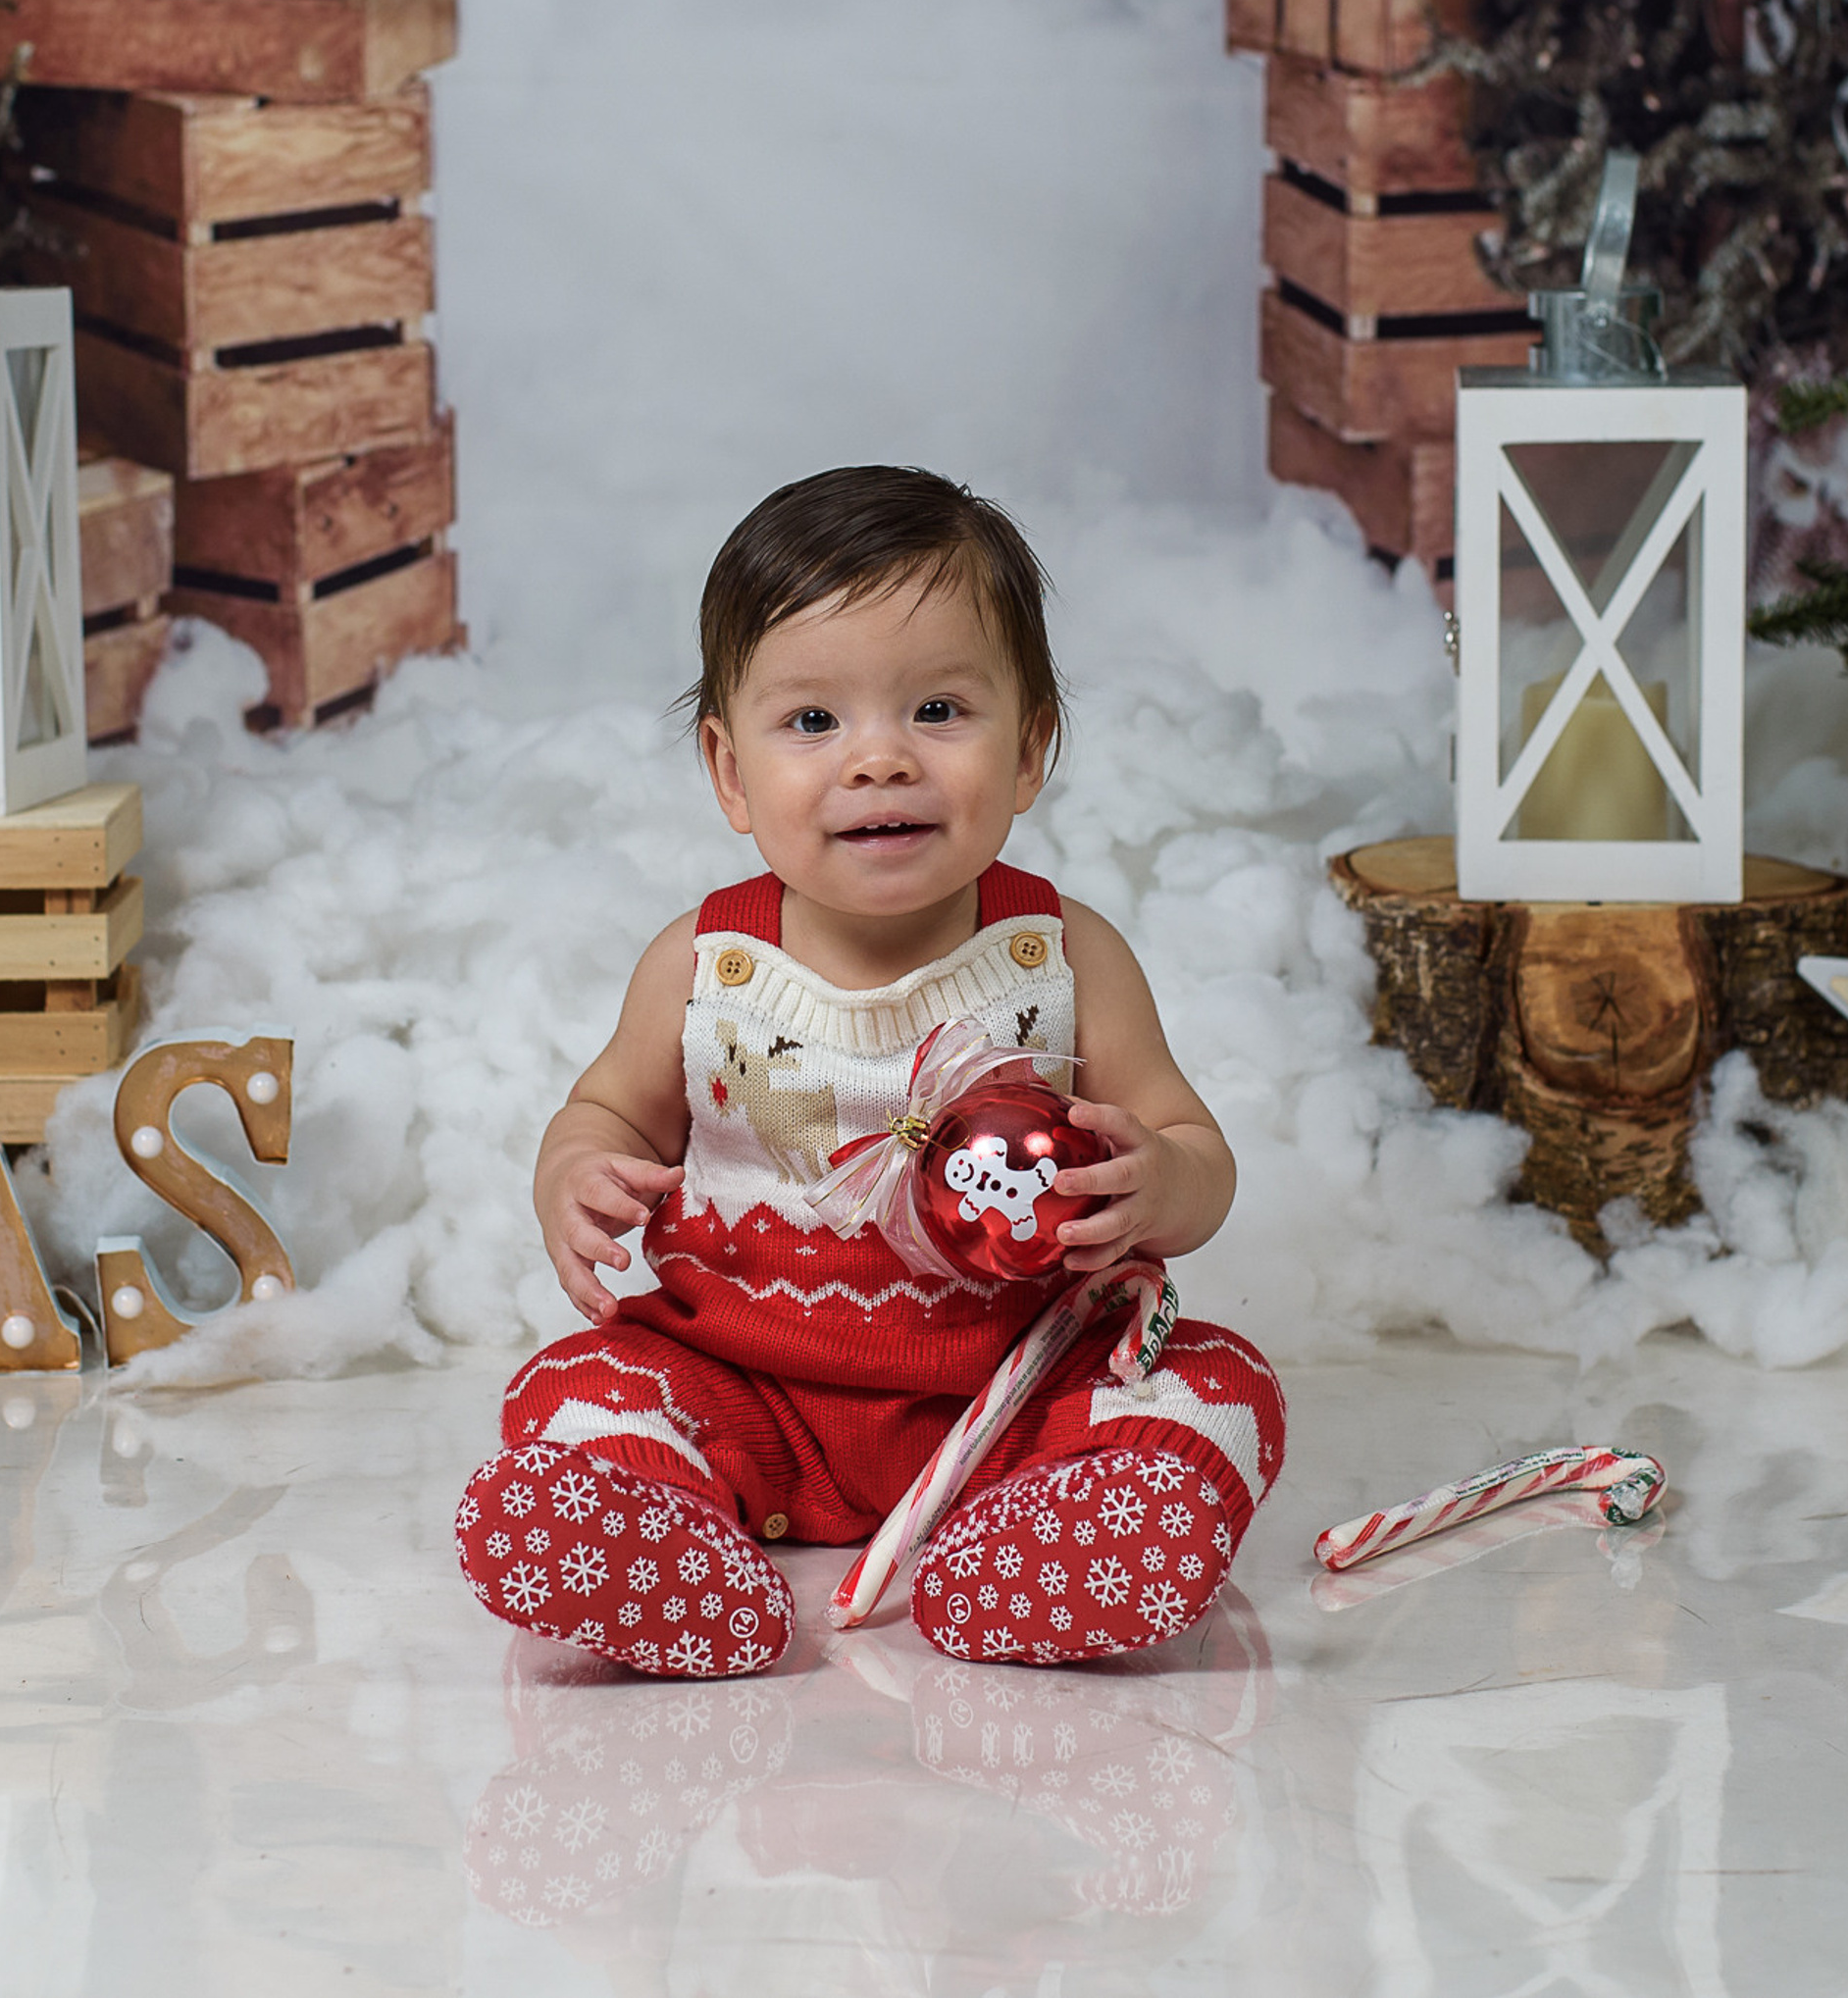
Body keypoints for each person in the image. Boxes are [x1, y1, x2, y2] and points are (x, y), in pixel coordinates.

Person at [456, 466, 1284, 1674]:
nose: (881, 759)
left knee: (1219, 1380)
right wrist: (576, 1170)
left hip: (1007, 1396)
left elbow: (1197, 1152)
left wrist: (1159, 1182)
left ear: (1031, 747)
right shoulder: (705, 967)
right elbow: (604, 1110)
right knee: (578, 1383)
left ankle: (1051, 1550)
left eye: (940, 711)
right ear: (729, 771)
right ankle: (650, 1541)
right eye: (812, 722)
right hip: (746, 1383)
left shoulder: (1063, 960)